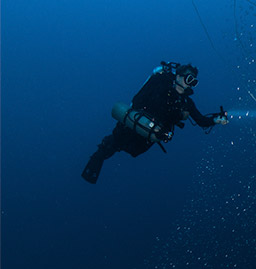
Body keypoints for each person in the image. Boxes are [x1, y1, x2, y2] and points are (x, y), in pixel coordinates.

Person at [81, 62, 228, 184]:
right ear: (178, 75)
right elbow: (138, 98)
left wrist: (216, 119)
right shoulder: (160, 83)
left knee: (128, 148)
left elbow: (201, 121)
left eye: (194, 82)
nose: (190, 84)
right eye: (189, 79)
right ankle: (96, 160)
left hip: (146, 137)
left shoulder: (186, 103)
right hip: (133, 124)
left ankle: (103, 154)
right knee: (113, 144)